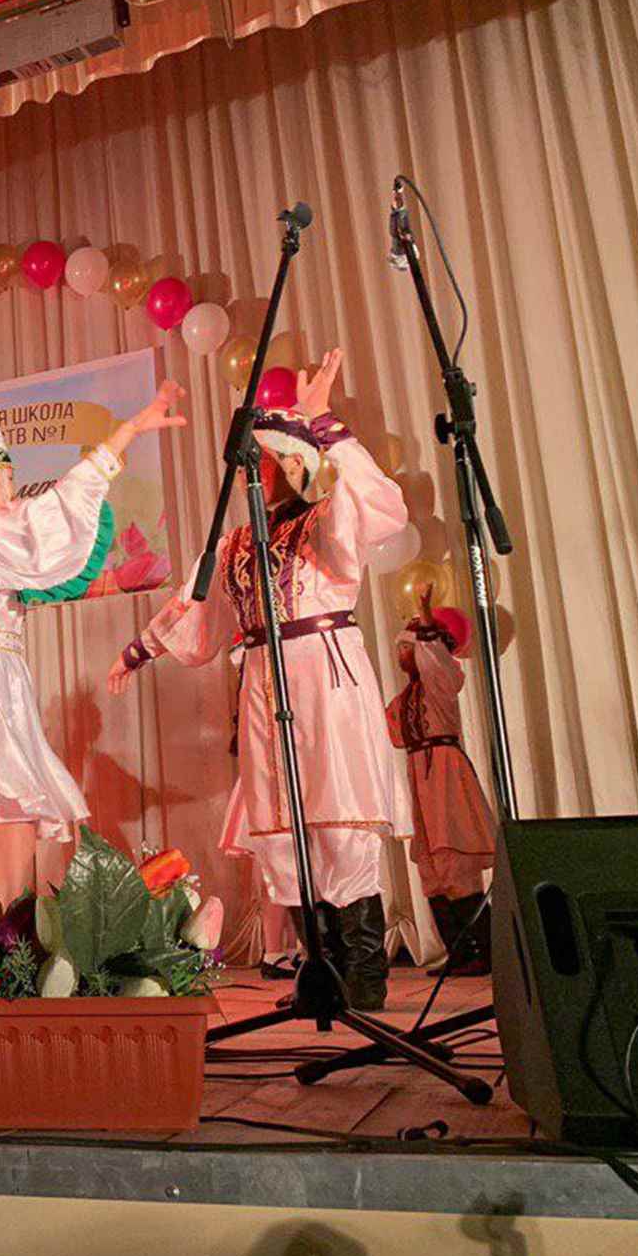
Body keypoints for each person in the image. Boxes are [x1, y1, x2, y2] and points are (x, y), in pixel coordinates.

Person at [108, 350, 411, 1010]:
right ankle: (321, 973)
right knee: (281, 826)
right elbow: (198, 609)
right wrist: (139, 651)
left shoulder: (325, 521)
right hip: (263, 682)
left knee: (336, 813)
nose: (260, 468)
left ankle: (364, 974)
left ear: (294, 466)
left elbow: (379, 504)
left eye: (269, 459)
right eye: (258, 459)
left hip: (324, 673)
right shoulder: (237, 545)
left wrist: (326, 424)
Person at [0, 383, 188, 904]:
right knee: (12, 842)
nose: (12, 487)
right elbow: (57, 508)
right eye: (6, 476)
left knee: (15, 840)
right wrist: (129, 431)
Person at [387, 595, 496, 975]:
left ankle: (486, 951)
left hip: (445, 774)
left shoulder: (441, 684)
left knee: (454, 860)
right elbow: (393, 734)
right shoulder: (406, 697)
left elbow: (440, 666)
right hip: (421, 774)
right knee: (432, 870)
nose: (400, 656)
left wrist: (427, 626)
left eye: (406, 649)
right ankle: (459, 951)